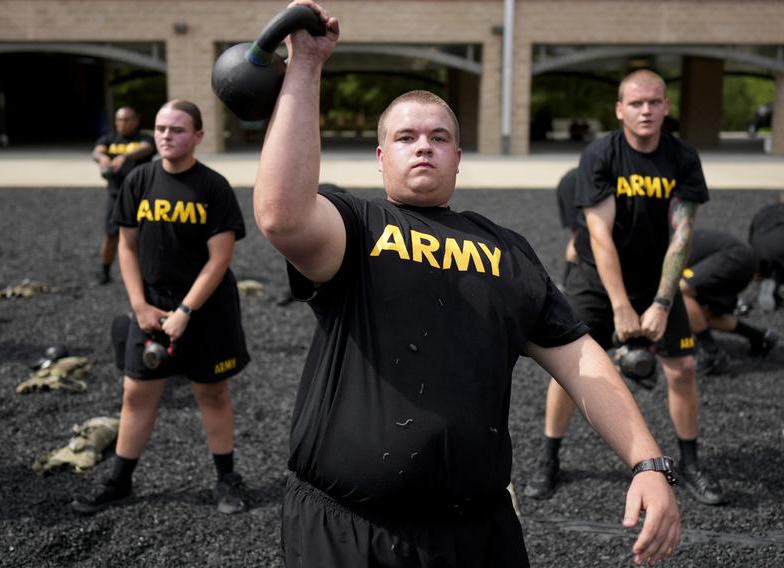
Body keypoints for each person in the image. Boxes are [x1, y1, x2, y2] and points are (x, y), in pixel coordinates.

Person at [254, 3, 680, 565]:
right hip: (347, 530)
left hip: (476, 531)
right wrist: (306, 65)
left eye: (438, 136)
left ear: (458, 157)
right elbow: (282, 215)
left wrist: (647, 461)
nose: (423, 145)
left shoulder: (508, 251)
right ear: (382, 158)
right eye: (406, 137)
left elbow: (582, 361)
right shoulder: (356, 227)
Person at [525, 69, 727, 506]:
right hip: (596, 278)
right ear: (620, 110)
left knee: (684, 369)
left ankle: (690, 464)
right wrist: (620, 306)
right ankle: (549, 458)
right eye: (636, 103)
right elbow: (599, 236)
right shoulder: (600, 154)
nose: (646, 110)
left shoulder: (683, 157)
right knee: (569, 367)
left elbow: (682, 235)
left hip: (655, 278)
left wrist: (661, 301)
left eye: (654, 102)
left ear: (666, 107)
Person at [72, 100, 251, 516]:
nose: (166, 136)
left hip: (205, 308)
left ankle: (226, 478)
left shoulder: (213, 186)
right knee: (136, 393)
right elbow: (128, 246)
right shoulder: (138, 179)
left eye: (178, 129)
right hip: (152, 305)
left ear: (199, 137)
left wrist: (186, 312)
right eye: (160, 128)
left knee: (211, 392)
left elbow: (220, 258)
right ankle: (119, 481)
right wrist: (139, 305)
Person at [680, 228, 778, 375]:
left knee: (681, 290)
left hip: (731, 257)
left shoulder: (655, 247)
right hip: (737, 262)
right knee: (699, 315)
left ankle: (711, 354)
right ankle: (760, 338)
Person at [91, 107, 156, 284]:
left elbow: (147, 148)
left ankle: (147, 273)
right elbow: (97, 151)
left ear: (136, 120)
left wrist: (125, 156)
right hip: (115, 195)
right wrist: (102, 158)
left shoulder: (144, 138)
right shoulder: (109, 139)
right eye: (119, 119)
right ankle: (104, 271)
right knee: (111, 234)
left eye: (126, 119)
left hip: (141, 195)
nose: (122, 123)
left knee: (144, 235)